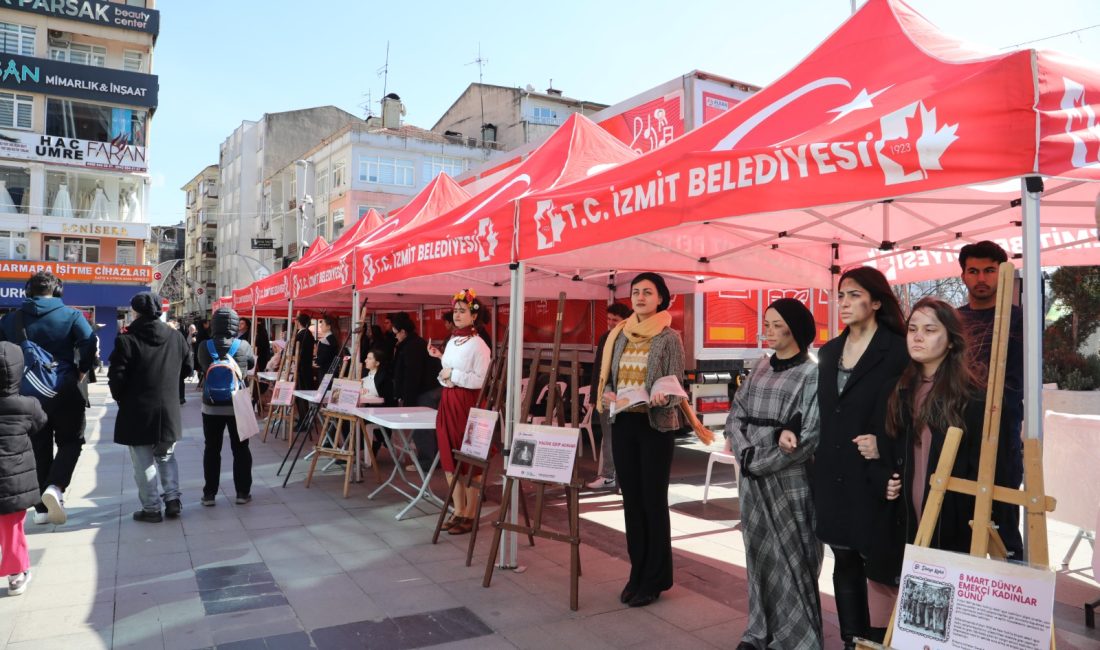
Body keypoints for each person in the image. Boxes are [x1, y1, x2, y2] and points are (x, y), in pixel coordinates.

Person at [813, 267, 909, 648]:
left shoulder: (898, 350)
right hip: (832, 471)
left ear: (875, 301)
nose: (845, 303)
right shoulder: (829, 350)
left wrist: (886, 446)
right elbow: (821, 408)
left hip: (875, 472)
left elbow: (911, 412)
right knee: (844, 559)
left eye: (854, 295)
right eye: (840, 296)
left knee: (880, 563)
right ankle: (852, 640)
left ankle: (882, 639)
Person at [867, 298, 985, 600]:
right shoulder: (895, 389)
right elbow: (880, 452)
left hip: (949, 527)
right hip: (897, 524)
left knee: (936, 622)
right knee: (889, 625)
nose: (917, 336)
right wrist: (882, 480)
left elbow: (983, 470)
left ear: (950, 341)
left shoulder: (971, 398)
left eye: (930, 329)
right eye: (913, 329)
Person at [726, 298, 822, 649]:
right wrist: (746, 452)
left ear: (794, 329)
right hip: (752, 478)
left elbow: (809, 437)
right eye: (765, 322)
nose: (766, 329)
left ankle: (796, 638)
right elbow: (735, 415)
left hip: (789, 481)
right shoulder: (760, 366)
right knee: (759, 556)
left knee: (794, 557)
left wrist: (758, 462)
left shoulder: (813, 374)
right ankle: (757, 631)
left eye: (774, 323)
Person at [595, 272, 685, 608]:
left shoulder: (668, 337)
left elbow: (676, 384)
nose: (640, 297)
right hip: (623, 425)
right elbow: (610, 379)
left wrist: (662, 397)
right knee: (631, 502)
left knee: (652, 502)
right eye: (636, 292)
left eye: (648, 292)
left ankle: (655, 578)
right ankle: (637, 572)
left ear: (661, 298)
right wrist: (606, 394)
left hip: (654, 427)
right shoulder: (618, 335)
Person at [0, 271, 96, 526]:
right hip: (66, 389)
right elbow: (89, 341)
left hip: (27, 393)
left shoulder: (11, 320)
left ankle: (41, 510)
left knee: (37, 447)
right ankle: (56, 487)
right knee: (71, 441)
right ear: (57, 291)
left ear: (27, 291)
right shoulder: (72, 315)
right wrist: (82, 370)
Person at [957, 240, 1024, 560]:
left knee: (1005, 529)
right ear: (963, 276)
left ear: (1002, 273)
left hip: (1003, 437)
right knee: (957, 524)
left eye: (989, 270)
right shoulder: (952, 322)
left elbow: (1023, 378)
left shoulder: (1020, 320)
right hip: (956, 435)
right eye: (973, 271)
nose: (981, 278)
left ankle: (1010, 605)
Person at [108, 293, 194, 522]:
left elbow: (116, 376)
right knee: (166, 455)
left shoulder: (126, 339)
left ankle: (151, 508)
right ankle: (173, 499)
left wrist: (121, 397)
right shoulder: (176, 337)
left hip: (137, 409)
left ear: (135, 312)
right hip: (168, 407)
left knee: (143, 461)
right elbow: (188, 367)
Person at [429, 289, 492, 536]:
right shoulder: (453, 340)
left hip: (468, 404)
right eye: (455, 311)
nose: (457, 314)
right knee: (448, 456)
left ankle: (470, 513)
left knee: (469, 459)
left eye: (462, 311)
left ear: (474, 315)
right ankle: (458, 509)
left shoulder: (479, 345)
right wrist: (445, 371)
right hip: (448, 400)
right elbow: (446, 371)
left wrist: (452, 376)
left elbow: (480, 380)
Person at [0, 341, 47, 595]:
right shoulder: (28, 405)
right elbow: (40, 423)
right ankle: (16, 574)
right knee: (11, 528)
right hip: (13, 482)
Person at [197, 307, 256, 507]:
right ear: (234, 324)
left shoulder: (205, 346)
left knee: (212, 449)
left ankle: (209, 494)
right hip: (237, 405)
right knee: (241, 449)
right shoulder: (243, 345)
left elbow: (202, 368)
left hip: (211, 405)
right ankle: (242, 492)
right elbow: (251, 363)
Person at [586, 301, 633, 490]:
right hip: (606, 393)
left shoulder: (630, 337)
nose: (610, 322)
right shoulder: (605, 337)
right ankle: (607, 475)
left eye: (615, 320)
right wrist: (592, 396)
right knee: (608, 436)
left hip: (626, 394)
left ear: (625, 320)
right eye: (608, 319)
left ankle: (624, 480)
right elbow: (597, 368)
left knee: (624, 438)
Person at [391, 312, 442, 468]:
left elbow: (412, 376)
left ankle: (426, 462)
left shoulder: (412, 347)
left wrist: (409, 401)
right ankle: (433, 460)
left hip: (426, 391)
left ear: (403, 332)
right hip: (429, 388)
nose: (395, 337)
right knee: (427, 427)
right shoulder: (413, 343)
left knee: (423, 427)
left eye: (396, 333)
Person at [293, 313, 316, 419]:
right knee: (302, 395)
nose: (295, 323)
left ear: (300, 322)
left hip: (301, 368)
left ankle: (304, 419)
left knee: (301, 395)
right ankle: (304, 418)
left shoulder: (302, 334)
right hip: (305, 368)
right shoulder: (308, 334)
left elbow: (296, 352)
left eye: (297, 321)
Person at [313, 315, 341, 381]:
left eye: (322, 324)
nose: (320, 326)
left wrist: (315, 362)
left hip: (326, 372)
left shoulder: (326, 341)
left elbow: (322, 358)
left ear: (328, 327)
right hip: (332, 370)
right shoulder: (333, 338)